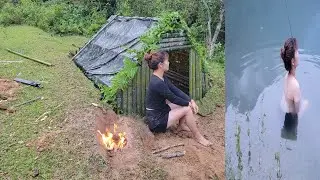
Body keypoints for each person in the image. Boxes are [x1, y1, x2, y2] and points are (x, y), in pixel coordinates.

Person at [144, 50, 212, 146]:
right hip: (157, 121)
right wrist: (189, 104)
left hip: (161, 111)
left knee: (185, 104)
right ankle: (199, 137)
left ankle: (181, 126)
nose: (169, 63)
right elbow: (173, 98)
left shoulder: (161, 78)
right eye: (167, 61)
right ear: (160, 65)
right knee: (187, 109)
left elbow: (175, 90)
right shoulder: (157, 83)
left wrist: (190, 100)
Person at [280, 37, 308, 128]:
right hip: (291, 120)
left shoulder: (286, 76)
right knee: (307, 103)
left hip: (286, 111)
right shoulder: (295, 86)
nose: (298, 54)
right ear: (292, 61)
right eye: (297, 52)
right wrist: (306, 105)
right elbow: (297, 112)